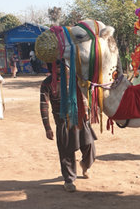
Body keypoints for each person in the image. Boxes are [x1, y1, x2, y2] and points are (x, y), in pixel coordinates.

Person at [40, 62, 97, 192]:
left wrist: (86, 111)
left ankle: (85, 164)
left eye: (63, 65)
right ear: (52, 68)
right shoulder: (47, 84)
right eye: (57, 66)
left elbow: (83, 94)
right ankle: (69, 180)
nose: (62, 68)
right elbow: (43, 105)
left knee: (89, 146)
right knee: (66, 152)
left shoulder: (75, 78)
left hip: (80, 118)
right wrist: (47, 127)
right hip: (62, 122)